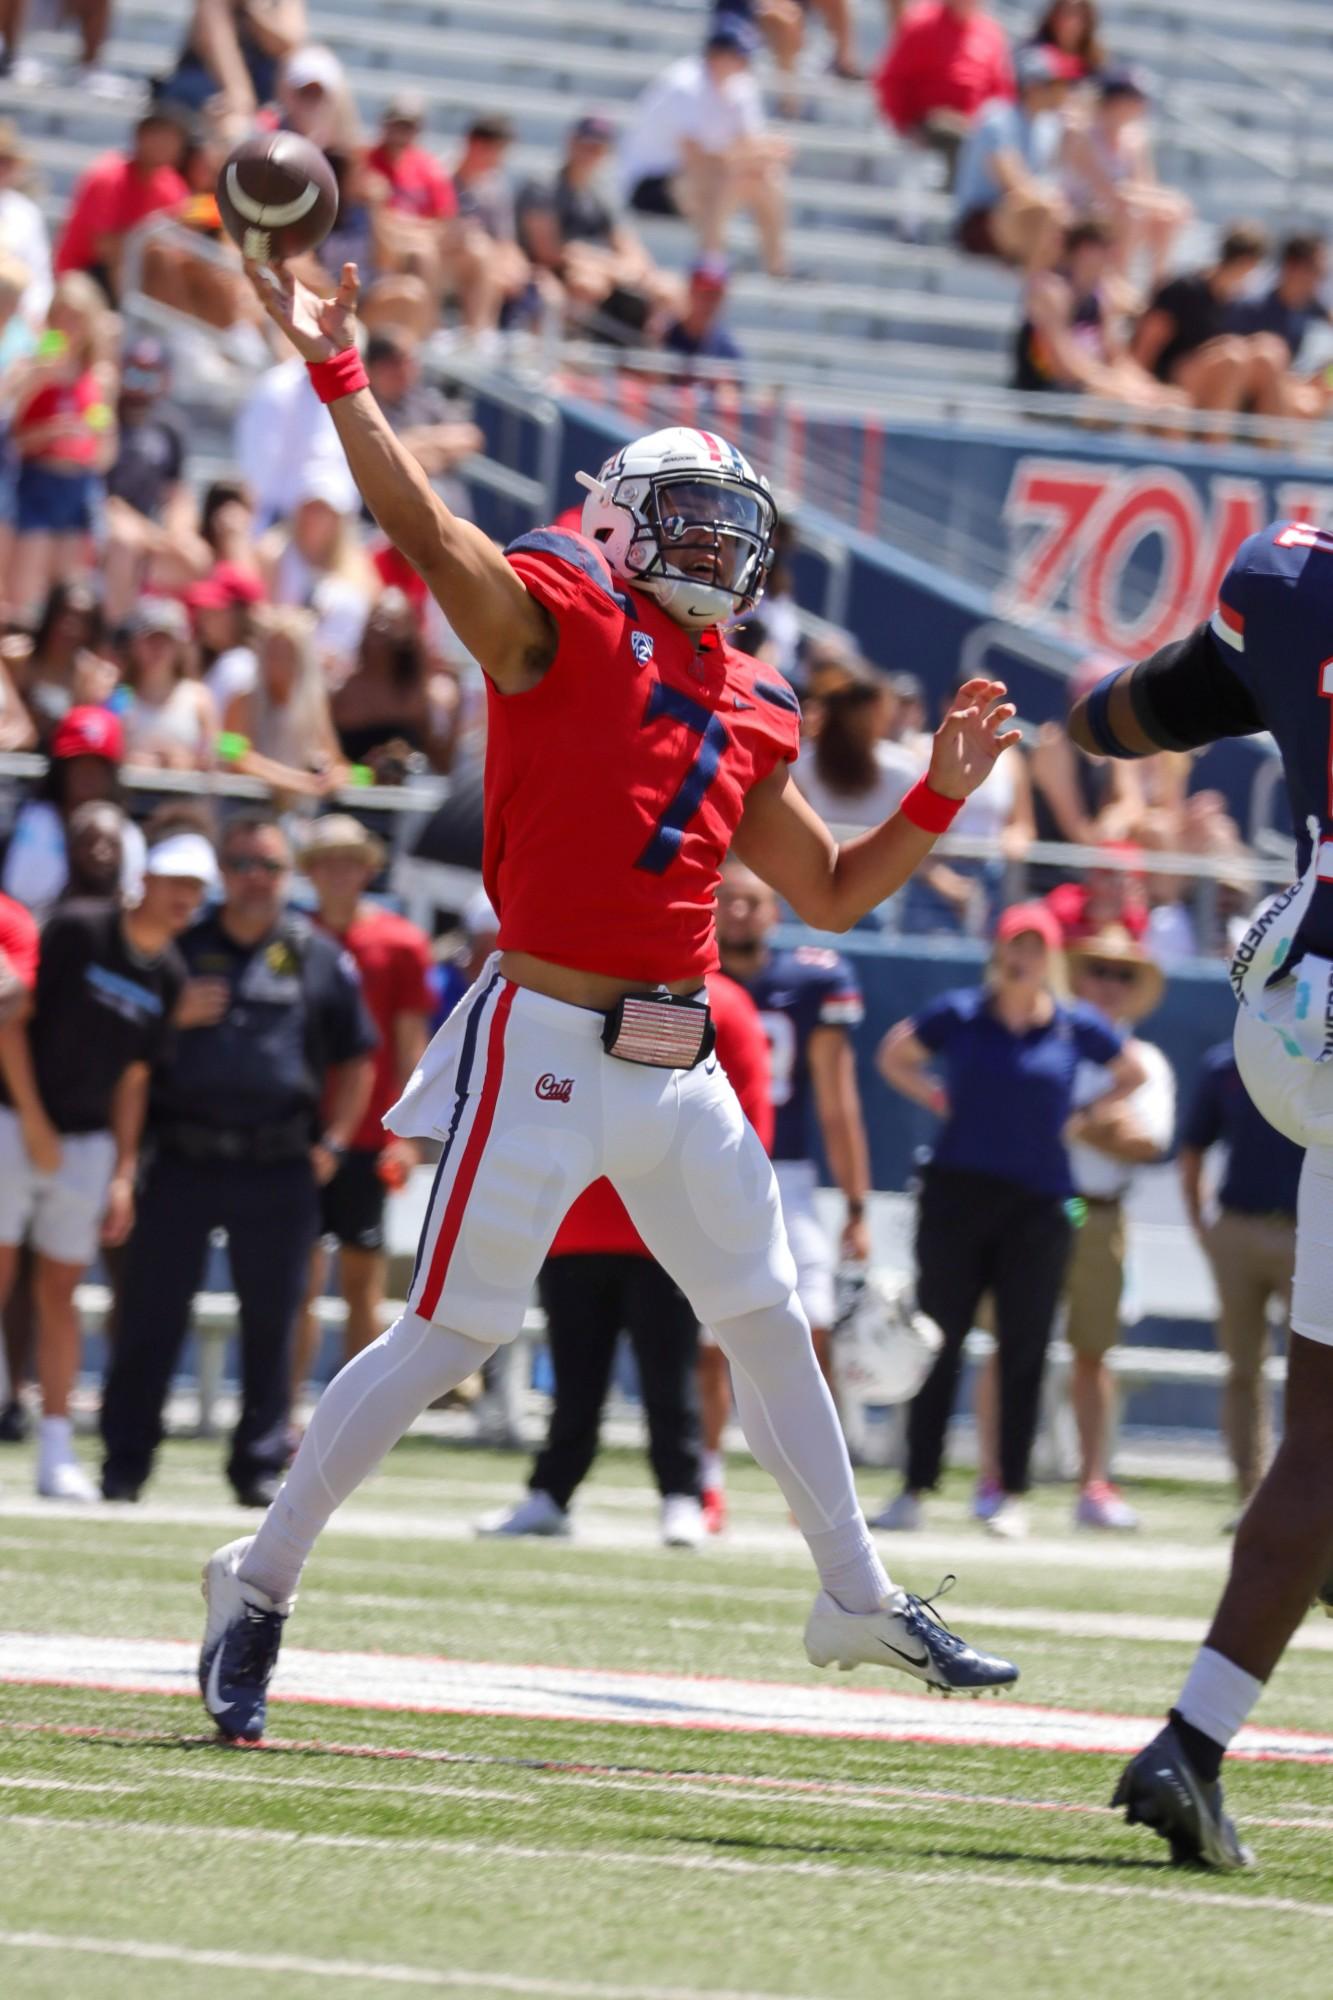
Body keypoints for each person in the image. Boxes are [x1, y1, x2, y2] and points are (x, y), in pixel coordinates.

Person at [196, 243, 1024, 1745]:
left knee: (768, 1320)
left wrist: (940, 802)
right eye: (690, 523)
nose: (715, 551)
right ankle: (255, 1587)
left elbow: (832, 890)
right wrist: (341, 376)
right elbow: (424, 528)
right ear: (621, 522)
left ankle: (852, 1592)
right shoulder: (555, 622)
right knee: (447, 1338)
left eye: (734, 531)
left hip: (680, 1056)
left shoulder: (755, 694)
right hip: (547, 1041)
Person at [1066, 513, 1333, 1866]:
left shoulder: (1291, 580)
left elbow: (1134, 711)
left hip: (1299, 1020)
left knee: (1321, 1436)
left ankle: (1194, 1741)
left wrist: (1093, 714)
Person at [101, 811, 376, 1505]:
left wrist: (335, 1143)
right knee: (150, 1317)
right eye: (243, 866)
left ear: (290, 877)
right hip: (183, 1159)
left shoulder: (315, 954)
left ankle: (256, 1466)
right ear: (222, 874)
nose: (256, 880)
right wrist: (173, 1017)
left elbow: (359, 1056)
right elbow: (123, 1053)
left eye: (270, 867)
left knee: (273, 1322)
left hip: (279, 1164)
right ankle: (126, 1463)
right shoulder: (177, 950)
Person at [874, 900, 1143, 1539]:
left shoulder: (1075, 1026)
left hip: (1043, 1202)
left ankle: (1010, 1491)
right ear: (998, 951)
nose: (1022, 958)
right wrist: (936, 1096)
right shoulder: (961, 1014)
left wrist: (1081, 1120)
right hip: (956, 1195)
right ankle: (915, 1485)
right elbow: (894, 1055)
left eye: (1034, 945)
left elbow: (1131, 1072)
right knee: (938, 1340)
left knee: (1025, 1344)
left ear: (1050, 956)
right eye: (1013, 945)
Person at [478, 967, 772, 1548]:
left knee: (670, 1375)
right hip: (575, 1216)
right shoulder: (567, 984)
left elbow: (749, 1109)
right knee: (574, 1376)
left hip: (664, 1224)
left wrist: (727, 1201)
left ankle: (681, 1494)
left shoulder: (724, 1004)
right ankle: (552, 1493)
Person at [0, 832, 205, 1498]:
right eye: (175, 881)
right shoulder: (78, 930)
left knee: (59, 1294)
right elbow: (10, 1022)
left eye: (197, 889)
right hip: (11, 1119)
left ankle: (55, 1448)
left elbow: (134, 1082)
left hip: (86, 1146)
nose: (185, 898)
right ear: (144, 880)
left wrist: (121, 1172)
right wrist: (31, 1119)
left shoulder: (171, 972)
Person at [713, 860, 870, 1515]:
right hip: (704, 1166)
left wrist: (857, 1206)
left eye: (754, 900)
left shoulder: (811, 981)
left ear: (775, 911)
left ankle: (815, 1480)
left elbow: (837, 1103)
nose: (741, 912)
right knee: (706, 1333)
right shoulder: (684, 977)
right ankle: (705, 1476)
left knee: (814, 1324)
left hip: (788, 1172)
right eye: (729, 900)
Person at [291, 815, 433, 1400]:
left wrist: (408, 1128)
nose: (339, 873)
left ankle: (350, 1411)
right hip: (299, 1127)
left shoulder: (399, 943)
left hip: (371, 1134)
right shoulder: (293, 938)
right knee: (298, 1281)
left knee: (361, 1281)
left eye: (349, 860)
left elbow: (409, 1038)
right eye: (327, 861)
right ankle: (288, 1411)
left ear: (368, 870)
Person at [1178, 1044, 1301, 1511]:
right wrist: (1203, 1226)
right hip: (1239, 1226)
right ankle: (1251, 1493)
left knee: (1314, 1368)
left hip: (1310, 1231)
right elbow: (1193, 1148)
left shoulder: (1320, 1056)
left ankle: (1306, 1492)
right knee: (1242, 1367)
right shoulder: (1226, 1065)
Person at [618, 17, 790, 279]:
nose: (744, 64)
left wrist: (762, 154)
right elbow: (696, 159)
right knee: (724, 175)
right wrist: (754, 154)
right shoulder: (683, 85)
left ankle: (777, 267)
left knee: (766, 176)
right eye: (739, 56)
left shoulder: (741, 87)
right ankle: (711, 262)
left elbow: (750, 144)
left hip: (696, 183)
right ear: (716, 55)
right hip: (651, 185)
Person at [8, 274, 118, 618]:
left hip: (78, 487)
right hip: (37, 481)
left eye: (77, 318)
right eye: (62, 315)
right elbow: (12, 439)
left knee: (69, 597)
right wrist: (47, 431)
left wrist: (91, 434)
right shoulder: (32, 367)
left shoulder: (99, 377)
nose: (69, 326)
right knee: (25, 597)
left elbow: (105, 451)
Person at [1012, 216, 1188, 412]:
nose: (1111, 256)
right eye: (1104, 247)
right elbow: (1063, 366)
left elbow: (1115, 356)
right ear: (1084, 249)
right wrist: (1121, 388)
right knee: (1118, 405)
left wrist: (1148, 388)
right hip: (1046, 394)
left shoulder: (1101, 295)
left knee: (1173, 405)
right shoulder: (1050, 291)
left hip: (1087, 386)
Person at [1131, 222, 1293, 419]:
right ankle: (1215, 442)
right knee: (1231, 356)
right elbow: (1145, 347)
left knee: (1269, 351)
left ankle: (1273, 444)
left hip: (1214, 380)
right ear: (1246, 262)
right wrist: (1145, 388)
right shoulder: (1183, 290)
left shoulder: (1235, 302)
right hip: (1169, 379)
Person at [2, 706, 146, 919]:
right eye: (77, 764)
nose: (87, 776)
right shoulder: (32, 823)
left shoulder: (128, 835)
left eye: (97, 766)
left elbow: (133, 908)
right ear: (61, 769)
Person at [954, 44, 1075, 273]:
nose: (1063, 92)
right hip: (980, 222)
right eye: (1054, 84)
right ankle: (1034, 283)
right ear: (1032, 86)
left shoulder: (1049, 128)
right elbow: (1012, 184)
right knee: (1044, 210)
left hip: (1024, 215)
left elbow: (1051, 183)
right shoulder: (997, 119)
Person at [53, 106, 191, 301]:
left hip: (138, 275)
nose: (165, 144)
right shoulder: (109, 176)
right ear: (140, 136)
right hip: (84, 273)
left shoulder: (173, 185)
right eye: (158, 135)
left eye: (172, 138)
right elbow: (105, 248)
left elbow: (180, 246)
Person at [876, 0, 1015, 177]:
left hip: (976, 127)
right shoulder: (921, 23)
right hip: (931, 123)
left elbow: (1002, 93)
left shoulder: (991, 33)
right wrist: (905, 125)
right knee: (954, 133)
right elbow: (892, 79)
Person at [221, 604, 346, 799]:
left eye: (287, 652)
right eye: (273, 651)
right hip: (248, 807)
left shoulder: (315, 706)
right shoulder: (242, 700)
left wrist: (336, 776)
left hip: (302, 809)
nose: (278, 660)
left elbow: (337, 761)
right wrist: (292, 780)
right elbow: (229, 753)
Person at [119, 596, 217, 771]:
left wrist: (188, 762)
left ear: (179, 647)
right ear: (135, 645)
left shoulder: (199, 698)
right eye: (150, 640)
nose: (157, 648)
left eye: (166, 641)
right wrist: (128, 760)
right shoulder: (119, 697)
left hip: (184, 796)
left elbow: (214, 757)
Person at [661, 258, 745, 371]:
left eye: (715, 295)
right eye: (703, 293)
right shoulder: (664, 333)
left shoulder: (727, 349)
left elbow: (733, 387)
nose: (708, 302)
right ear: (690, 290)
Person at [1025, 0, 1104, 81]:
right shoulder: (1034, 53)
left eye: (1080, 15)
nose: (1072, 22)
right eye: (1066, 13)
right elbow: (1033, 78)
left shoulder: (1094, 60)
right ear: (1053, 16)